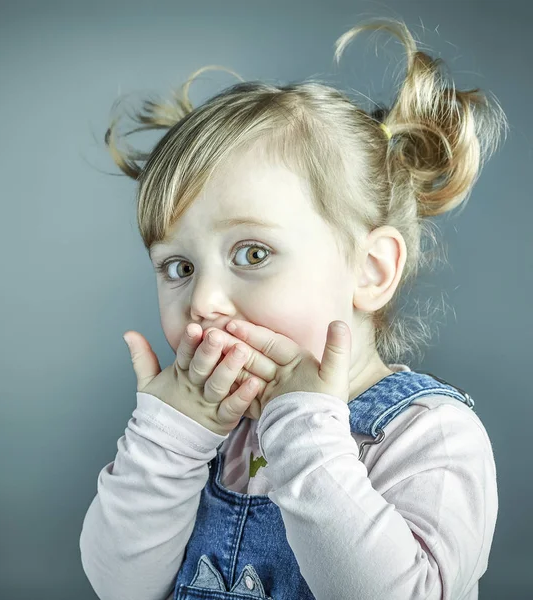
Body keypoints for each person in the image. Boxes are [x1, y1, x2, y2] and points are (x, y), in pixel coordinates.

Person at [79, 17, 507, 600]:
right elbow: (120, 586)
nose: (203, 301)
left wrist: (304, 428)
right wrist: (165, 440)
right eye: (178, 267)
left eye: (252, 253)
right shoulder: (207, 437)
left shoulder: (429, 435)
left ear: (370, 270)